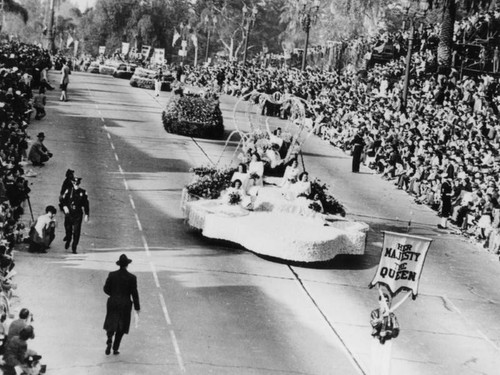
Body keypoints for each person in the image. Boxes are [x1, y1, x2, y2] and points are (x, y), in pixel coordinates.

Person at [103, 254, 140, 355]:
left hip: (113, 302)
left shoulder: (112, 275)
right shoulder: (132, 278)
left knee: (111, 322)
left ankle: (109, 338)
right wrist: (137, 307)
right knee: (121, 327)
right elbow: (134, 294)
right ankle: (115, 348)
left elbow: (106, 289)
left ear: (119, 264)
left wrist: (114, 294)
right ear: (127, 265)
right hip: (125, 304)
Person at [61, 177, 89, 253]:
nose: (76, 185)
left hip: (78, 215)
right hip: (69, 214)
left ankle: (74, 247)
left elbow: (86, 204)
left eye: (77, 184)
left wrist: (87, 214)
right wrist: (64, 207)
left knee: (76, 232)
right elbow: (62, 199)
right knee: (68, 229)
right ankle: (68, 239)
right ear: (72, 183)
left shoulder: (82, 192)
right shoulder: (68, 191)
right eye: (74, 183)